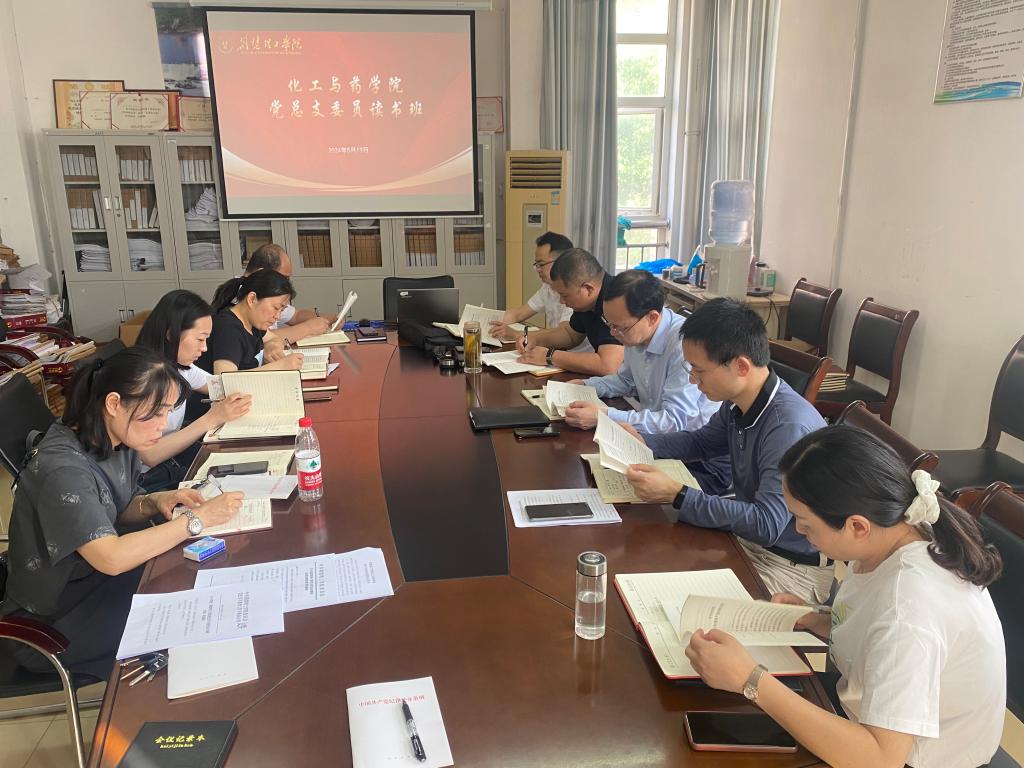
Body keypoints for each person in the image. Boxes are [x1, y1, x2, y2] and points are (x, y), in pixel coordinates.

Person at [685, 426, 1005, 768]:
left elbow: (880, 759)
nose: (798, 531)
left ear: (857, 526)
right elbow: (874, 625)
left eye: (805, 523)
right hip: (867, 713)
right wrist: (818, 618)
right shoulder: (893, 534)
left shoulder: (909, 609)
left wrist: (750, 680)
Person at [0, 347, 243, 677]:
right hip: (55, 623)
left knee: (199, 581)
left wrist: (154, 501)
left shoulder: (110, 436)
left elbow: (117, 506)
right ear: (114, 403)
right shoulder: (63, 469)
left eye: (167, 413)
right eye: (156, 414)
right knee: (196, 619)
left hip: (93, 583)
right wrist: (195, 520)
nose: (163, 426)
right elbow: (110, 557)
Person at [625, 298, 831, 602]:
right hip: (751, 544)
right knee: (653, 564)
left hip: (791, 566)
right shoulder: (741, 401)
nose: (693, 380)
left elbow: (766, 524)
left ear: (741, 366)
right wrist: (643, 441)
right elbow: (702, 442)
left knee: (677, 604)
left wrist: (677, 494)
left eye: (699, 370)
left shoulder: (787, 427)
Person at [562, 269, 721, 435]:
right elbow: (627, 381)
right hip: (650, 430)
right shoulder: (635, 332)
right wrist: (586, 385)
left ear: (652, 318)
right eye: (610, 324)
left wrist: (604, 416)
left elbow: (674, 420)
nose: (613, 333)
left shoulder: (684, 345)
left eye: (620, 327)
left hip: (689, 440)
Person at [134, 289, 252, 491]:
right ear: (171, 334)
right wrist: (211, 419)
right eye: (200, 339)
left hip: (173, 457)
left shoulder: (181, 367)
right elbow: (149, 455)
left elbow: (223, 386)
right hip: (148, 478)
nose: (204, 348)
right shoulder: (143, 378)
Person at [518, 248, 624, 376]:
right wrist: (536, 339)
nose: (562, 301)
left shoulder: (617, 300)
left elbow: (608, 366)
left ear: (588, 289)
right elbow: (571, 334)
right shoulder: (586, 304)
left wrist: (549, 356)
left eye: (565, 295)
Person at [488, 231, 591, 353]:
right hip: (557, 351)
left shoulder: (576, 290)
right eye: (536, 264)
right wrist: (486, 323)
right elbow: (518, 314)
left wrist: (517, 334)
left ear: (562, 262)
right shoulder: (547, 287)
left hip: (576, 355)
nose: (538, 270)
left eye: (541, 264)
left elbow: (564, 334)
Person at [200, 269, 305, 375]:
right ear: (252, 299)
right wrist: (280, 366)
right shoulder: (228, 329)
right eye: (276, 307)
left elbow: (274, 338)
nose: (277, 316)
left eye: (281, 310)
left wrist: (272, 347)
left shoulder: (253, 322)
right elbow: (224, 377)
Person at [244, 243, 333, 355]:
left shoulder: (267, 294)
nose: (277, 316)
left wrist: (330, 319)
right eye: (283, 278)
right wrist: (308, 328)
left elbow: (295, 315)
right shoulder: (241, 298)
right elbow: (257, 339)